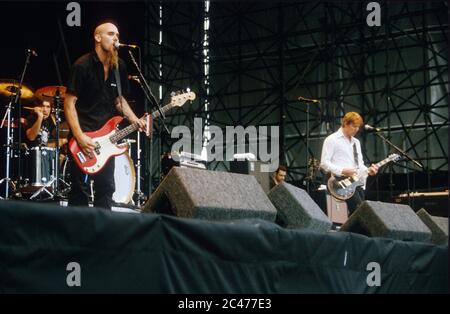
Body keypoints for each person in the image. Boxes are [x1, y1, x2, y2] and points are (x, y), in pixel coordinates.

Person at [64, 22, 145, 209]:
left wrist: (135, 119)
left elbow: (119, 101)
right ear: (97, 37)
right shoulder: (82, 65)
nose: (116, 38)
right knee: (79, 191)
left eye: (117, 34)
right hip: (82, 139)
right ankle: (75, 235)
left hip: (107, 141)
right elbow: (69, 104)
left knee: (107, 188)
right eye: (110, 34)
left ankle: (102, 234)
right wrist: (80, 136)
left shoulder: (120, 67)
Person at [320, 112, 378, 215]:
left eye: (358, 127)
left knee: (359, 213)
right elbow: (324, 163)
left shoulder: (356, 142)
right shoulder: (332, 140)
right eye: (354, 126)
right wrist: (342, 170)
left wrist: (369, 170)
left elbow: (359, 164)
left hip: (356, 183)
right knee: (361, 212)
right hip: (339, 181)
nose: (356, 129)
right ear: (345, 123)